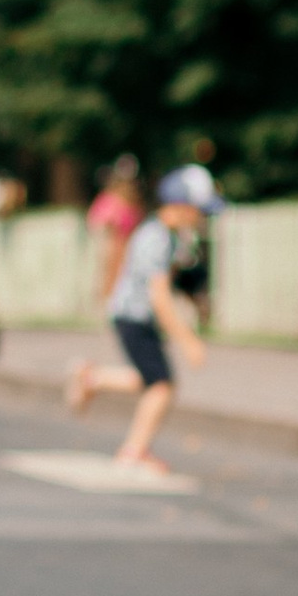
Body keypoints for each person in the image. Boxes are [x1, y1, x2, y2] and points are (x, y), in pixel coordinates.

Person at [64, 169, 219, 475]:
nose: (202, 218)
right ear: (182, 206)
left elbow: (175, 282)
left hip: (133, 317)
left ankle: (91, 378)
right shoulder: (155, 238)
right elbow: (159, 297)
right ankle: (134, 449)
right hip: (134, 317)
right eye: (199, 210)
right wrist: (187, 340)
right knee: (161, 385)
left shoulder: (170, 237)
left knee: (146, 379)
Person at [86, 153, 145, 307]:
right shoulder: (108, 199)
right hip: (112, 240)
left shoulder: (133, 201)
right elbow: (97, 222)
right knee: (108, 271)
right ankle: (105, 302)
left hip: (125, 242)